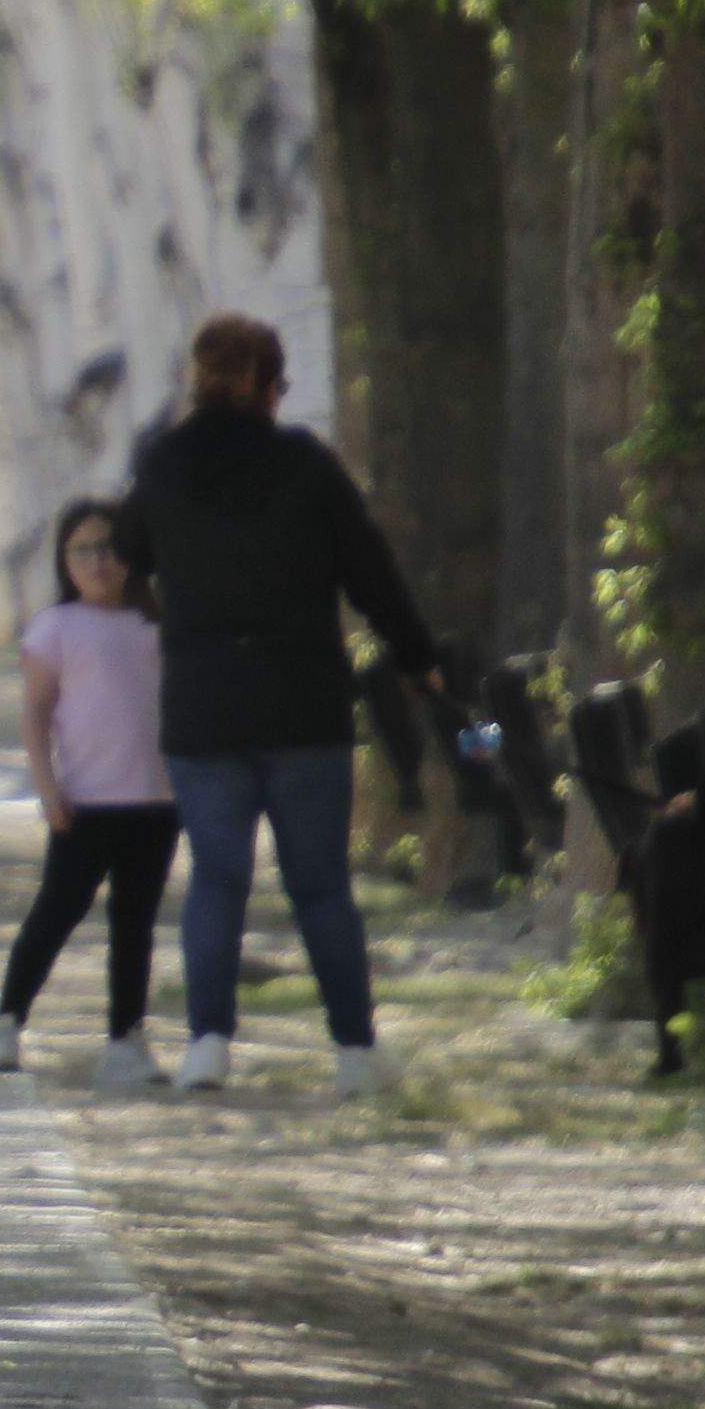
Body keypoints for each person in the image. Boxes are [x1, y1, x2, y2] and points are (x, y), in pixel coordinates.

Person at [123, 313, 442, 1095]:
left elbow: (127, 554)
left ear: (197, 381)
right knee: (321, 886)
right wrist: (418, 658)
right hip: (303, 706)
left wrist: (170, 616)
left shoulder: (162, 465)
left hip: (203, 710)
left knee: (216, 878)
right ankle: (354, 1053)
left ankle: (207, 1044)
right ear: (269, 387)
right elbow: (370, 571)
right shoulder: (305, 464)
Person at [0, 497, 181, 1090]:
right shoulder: (56, 628)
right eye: (82, 550)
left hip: (154, 803)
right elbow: (36, 714)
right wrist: (47, 788)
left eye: (110, 548)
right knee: (56, 914)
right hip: (84, 804)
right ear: (64, 561)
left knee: (134, 924)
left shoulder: (159, 625)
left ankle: (126, 1039)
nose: (98, 562)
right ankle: (6, 1021)